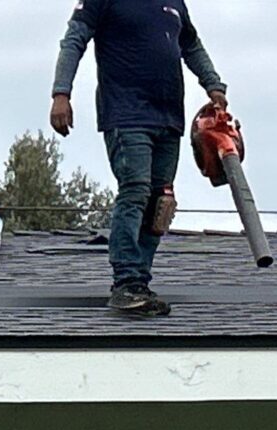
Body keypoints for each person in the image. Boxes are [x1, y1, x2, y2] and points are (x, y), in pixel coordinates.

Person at [51, 1, 228, 317]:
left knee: (161, 200)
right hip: (126, 114)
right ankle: (126, 282)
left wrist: (213, 85)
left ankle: (139, 284)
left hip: (168, 116)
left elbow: (191, 44)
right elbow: (74, 38)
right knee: (135, 189)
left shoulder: (174, 3)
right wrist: (61, 93)